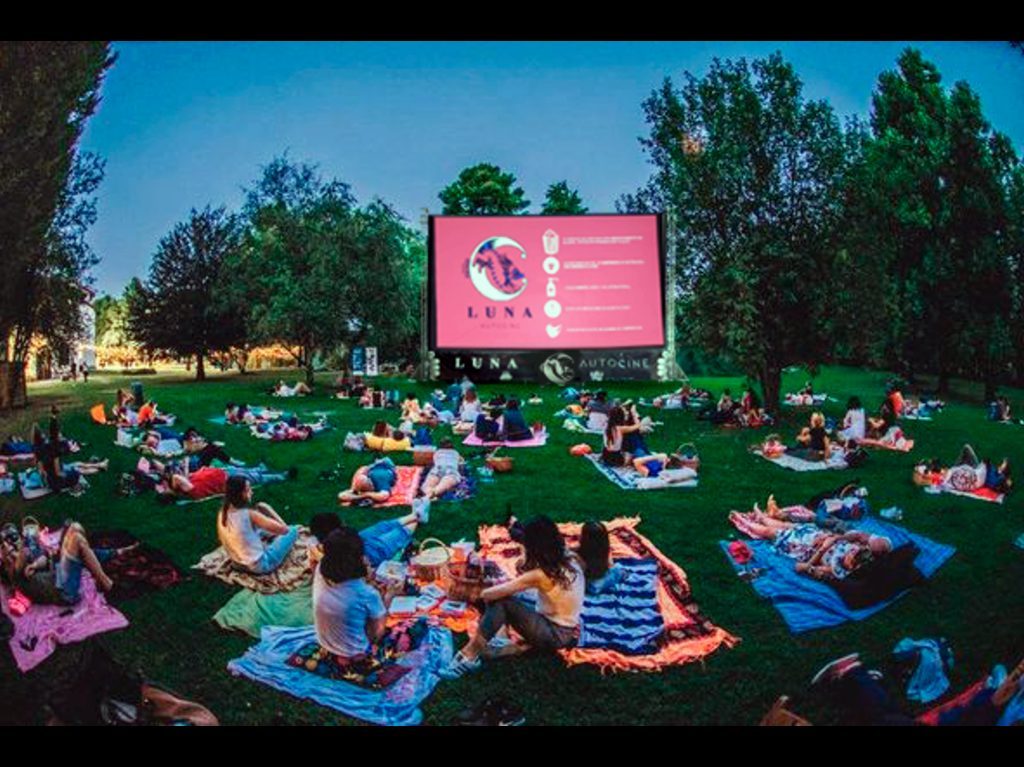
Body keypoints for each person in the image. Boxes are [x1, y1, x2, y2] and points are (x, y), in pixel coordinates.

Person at [440, 516, 584, 678]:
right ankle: (501, 640)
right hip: (567, 627)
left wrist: (489, 591)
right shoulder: (569, 557)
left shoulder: (541, 574)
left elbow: (488, 594)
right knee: (509, 596)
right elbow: (523, 569)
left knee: (501, 600)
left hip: (555, 634)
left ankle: (469, 654)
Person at [729, 509, 892, 582]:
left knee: (770, 532)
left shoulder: (836, 571)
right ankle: (760, 515)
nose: (850, 551)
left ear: (854, 565)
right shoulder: (857, 550)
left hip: (804, 548)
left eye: (851, 556)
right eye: (853, 550)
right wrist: (833, 538)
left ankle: (744, 521)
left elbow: (801, 567)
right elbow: (847, 538)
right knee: (787, 525)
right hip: (818, 536)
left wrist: (822, 549)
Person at [1, 520, 136, 605]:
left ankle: (109, 554)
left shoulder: (22, 558)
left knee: (72, 526)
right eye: (5, 545)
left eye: (10, 540)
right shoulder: (13, 571)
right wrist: (23, 541)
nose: (10, 545)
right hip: (63, 592)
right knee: (77, 539)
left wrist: (35, 564)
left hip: (57, 573)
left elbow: (42, 558)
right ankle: (108, 585)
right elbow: (24, 554)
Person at [216, 476, 299, 574]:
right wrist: (268, 509)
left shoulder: (222, 512)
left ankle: (267, 540)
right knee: (294, 530)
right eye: (248, 490)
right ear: (241, 494)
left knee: (262, 530)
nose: (252, 492)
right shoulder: (250, 515)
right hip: (260, 565)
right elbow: (285, 530)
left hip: (237, 563)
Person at [156, 462, 291, 501]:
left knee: (245, 471)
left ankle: (260, 468)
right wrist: (183, 467)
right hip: (224, 479)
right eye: (165, 489)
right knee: (253, 478)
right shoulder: (185, 488)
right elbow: (178, 478)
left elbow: (183, 478)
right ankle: (282, 476)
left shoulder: (184, 487)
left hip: (220, 473)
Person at [577, 521, 624, 595]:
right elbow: (610, 565)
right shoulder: (605, 550)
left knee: (616, 571)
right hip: (596, 581)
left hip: (588, 582)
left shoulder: (581, 552)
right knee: (617, 570)